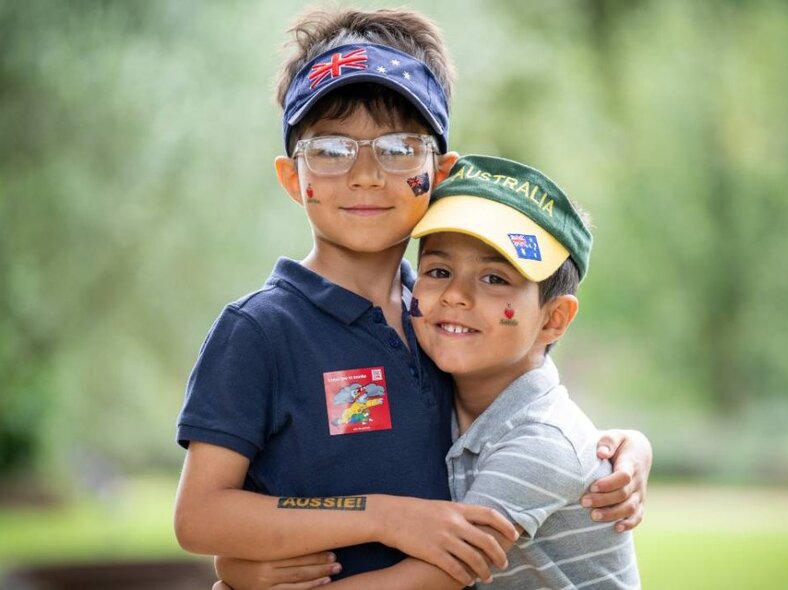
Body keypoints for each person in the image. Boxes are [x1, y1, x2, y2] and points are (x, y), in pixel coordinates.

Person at [172, 8, 651, 589]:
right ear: (294, 178)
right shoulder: (259, 331)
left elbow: (528, 420)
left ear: (439, 170)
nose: (367, 175)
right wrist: (384, 515)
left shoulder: (440, 322)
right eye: (330, 148)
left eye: (399, 148)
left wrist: (623, 447)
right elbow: (200, 517)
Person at [320, 156, 640, 588]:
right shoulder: (428, 388)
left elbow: (437, 578)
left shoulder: (543, 443)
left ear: (553, 320)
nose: (455, 295)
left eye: (494, 279)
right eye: (438, 271)